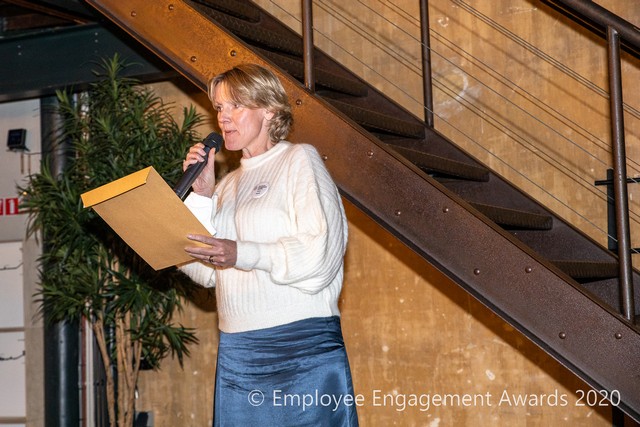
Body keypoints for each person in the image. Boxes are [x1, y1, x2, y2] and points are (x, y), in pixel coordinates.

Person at [179, 63, 359, 426]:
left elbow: (320, 255)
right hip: (238, 353)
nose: (223, 117)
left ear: (269, 110)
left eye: (235, 106)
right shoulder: (227, 186)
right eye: (219, 107)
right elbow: (205, 272)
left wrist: (241, 253)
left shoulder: (299, 160)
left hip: (301, 347)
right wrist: (201, 196)